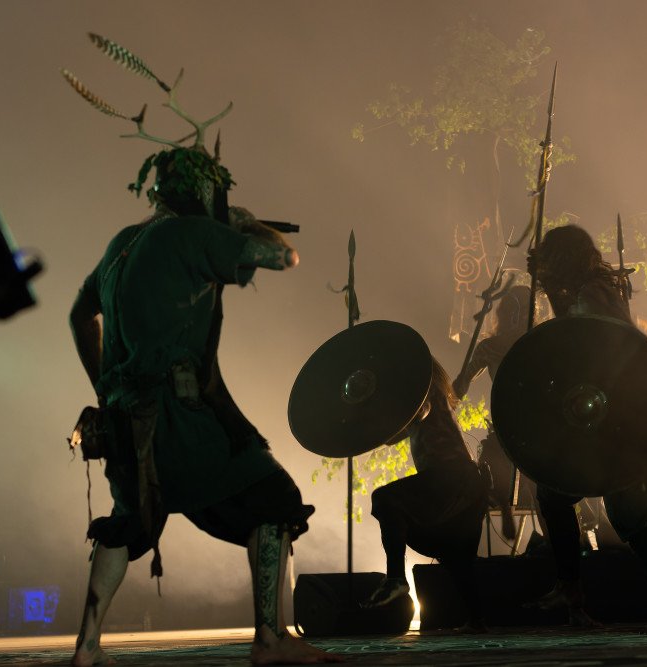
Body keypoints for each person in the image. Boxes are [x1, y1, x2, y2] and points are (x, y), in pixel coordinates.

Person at [69, 145, 339, 666]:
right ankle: (268, 641)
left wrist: (105, 388)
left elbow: (81, 317)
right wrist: (244, 225)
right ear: (207, 193)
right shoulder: (192, 234)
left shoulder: (123, 243)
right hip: (179, 419)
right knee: (275, 499)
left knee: (129, 522)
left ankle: (86, 649)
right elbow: (285, 256)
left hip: (126, 418)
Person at [523, 224, 647, 625]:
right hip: (600, 411)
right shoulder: (583, 291)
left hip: (614, 415)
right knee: (557, 495)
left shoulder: (594, 292)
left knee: (630, 517)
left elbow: (594, 342)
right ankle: (573, 593)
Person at [363, 358, 489, 632]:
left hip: (452, 478)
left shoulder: (426, 390)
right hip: (465, 483)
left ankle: (396, 577)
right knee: (457, 558)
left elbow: (420, 412)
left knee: (385, 499)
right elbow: (391, 436)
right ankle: (477, 620)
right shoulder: (426, 393)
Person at [453, 285, 537, 538]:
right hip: (508, 424)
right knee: (493, 459)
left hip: (535, 424)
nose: (517, 316)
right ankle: (501, 502)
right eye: (513, 310)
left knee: (539, 489)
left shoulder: (538, 342)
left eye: (520, 311)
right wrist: (456, 387)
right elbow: (461, 386)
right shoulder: (490, 347)